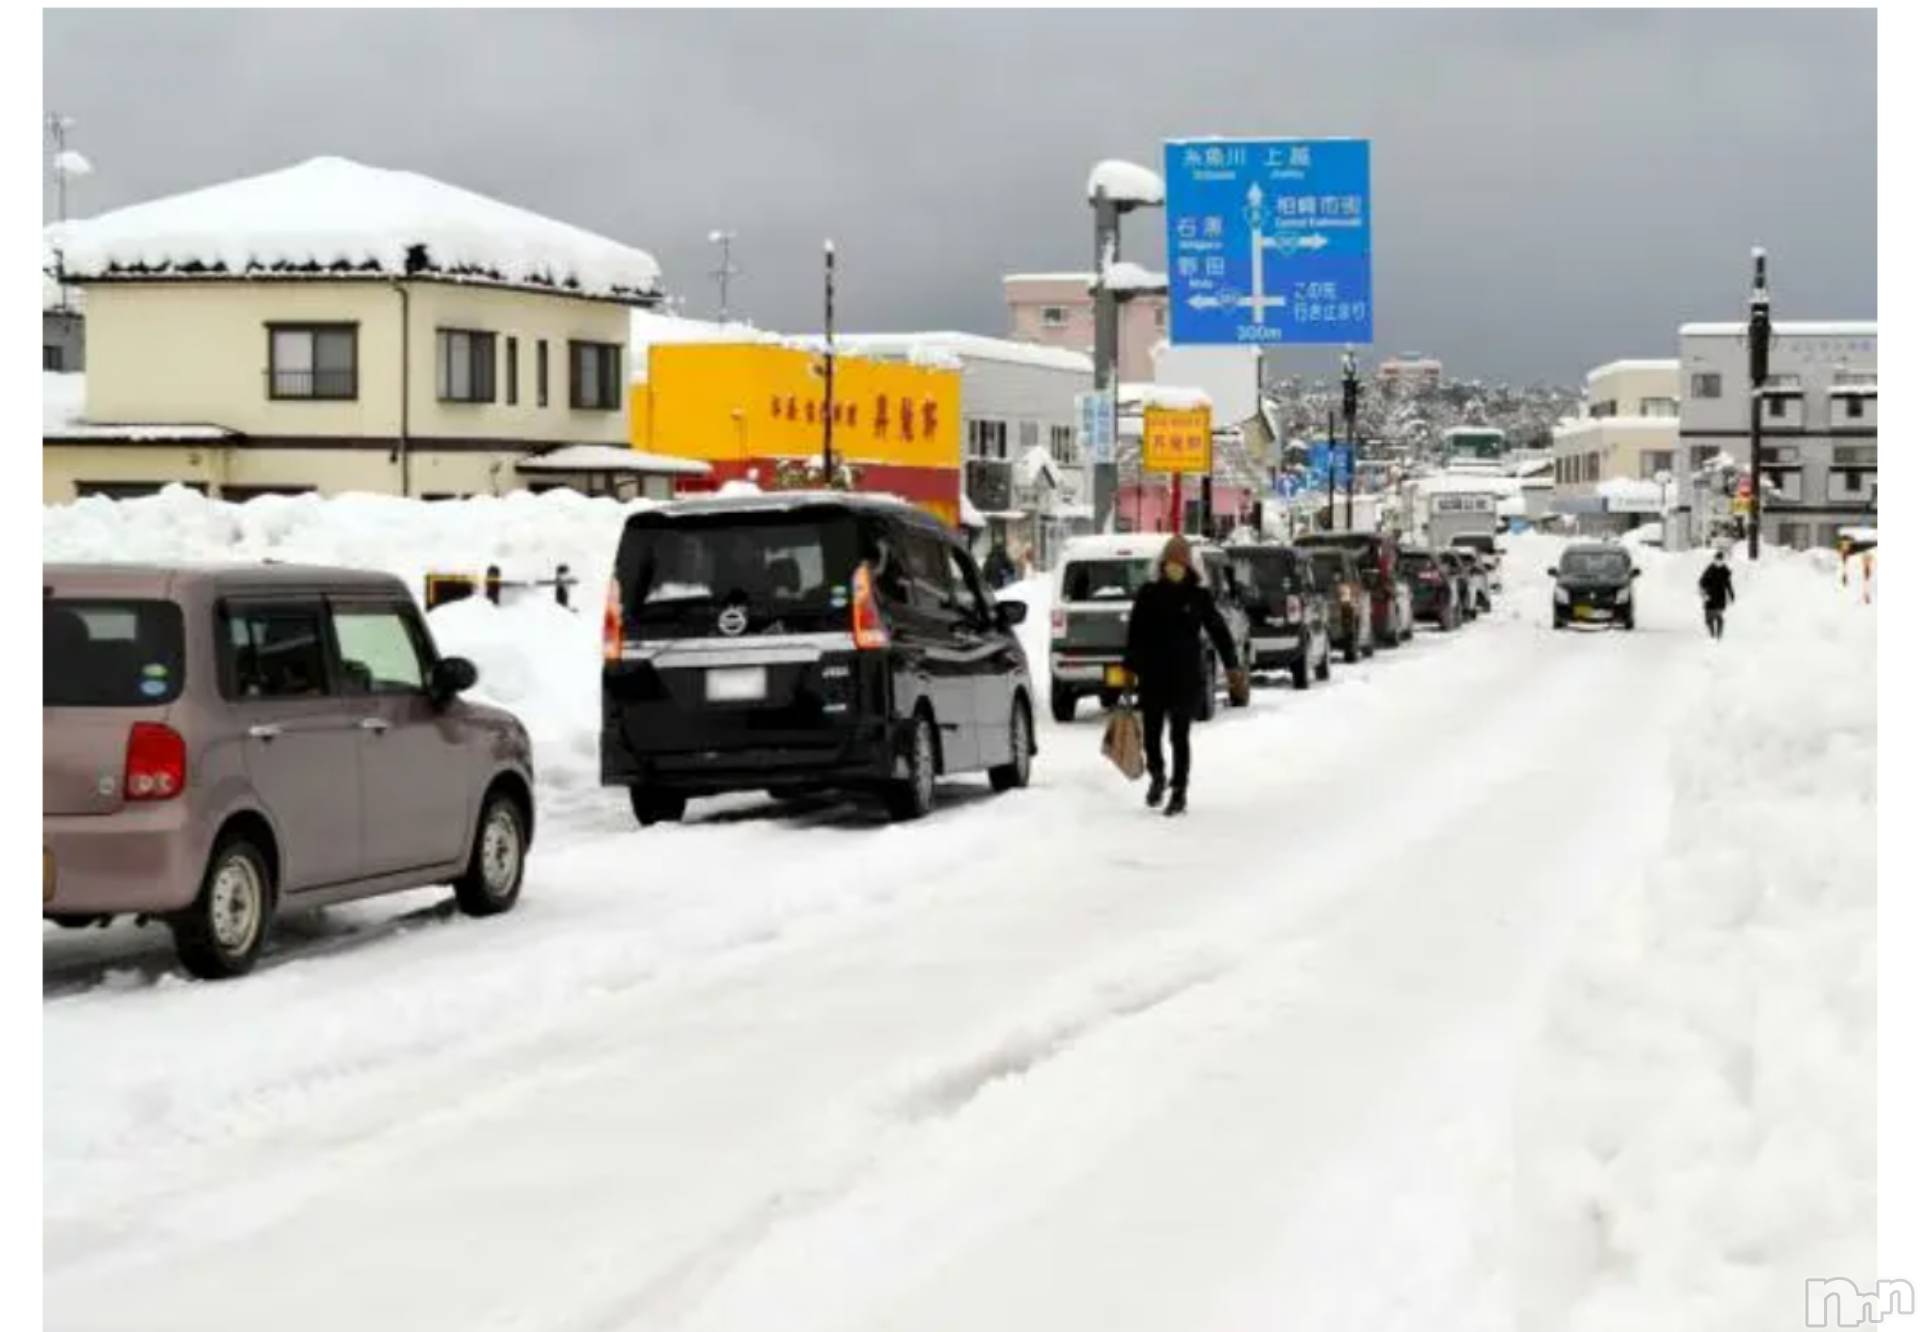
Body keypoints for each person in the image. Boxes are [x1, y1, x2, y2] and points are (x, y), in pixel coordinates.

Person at [1121, 534, 1248, 817]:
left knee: (1180, 735)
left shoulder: (1198, 596)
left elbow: (1219, 631)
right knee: (1152, 736)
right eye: (1170, 563)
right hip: (1153, 675)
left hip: (1186, 676)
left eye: (1180, 563)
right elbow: (1136, 634)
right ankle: (1157, 776)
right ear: (1163, 564)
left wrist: (1232, 666)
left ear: (1189, 565)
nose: (1175, 568)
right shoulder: (1148, 593)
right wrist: (1128, 669)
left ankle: (1179, 790)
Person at [1699, 550, 1735, 640]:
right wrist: (1704, 593)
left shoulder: (1725, 571)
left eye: (1720, 560)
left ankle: (1718, 636)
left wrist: (1731, 595)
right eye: (1717, 560)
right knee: (1709, 619)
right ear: (1714, 560)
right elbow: (1702, 582)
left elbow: (1728, 584)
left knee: (1719, 617)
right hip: (1710, 597)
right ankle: (1712, 635)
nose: (1719, 562)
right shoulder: (1709, 570)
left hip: (1720, 598)